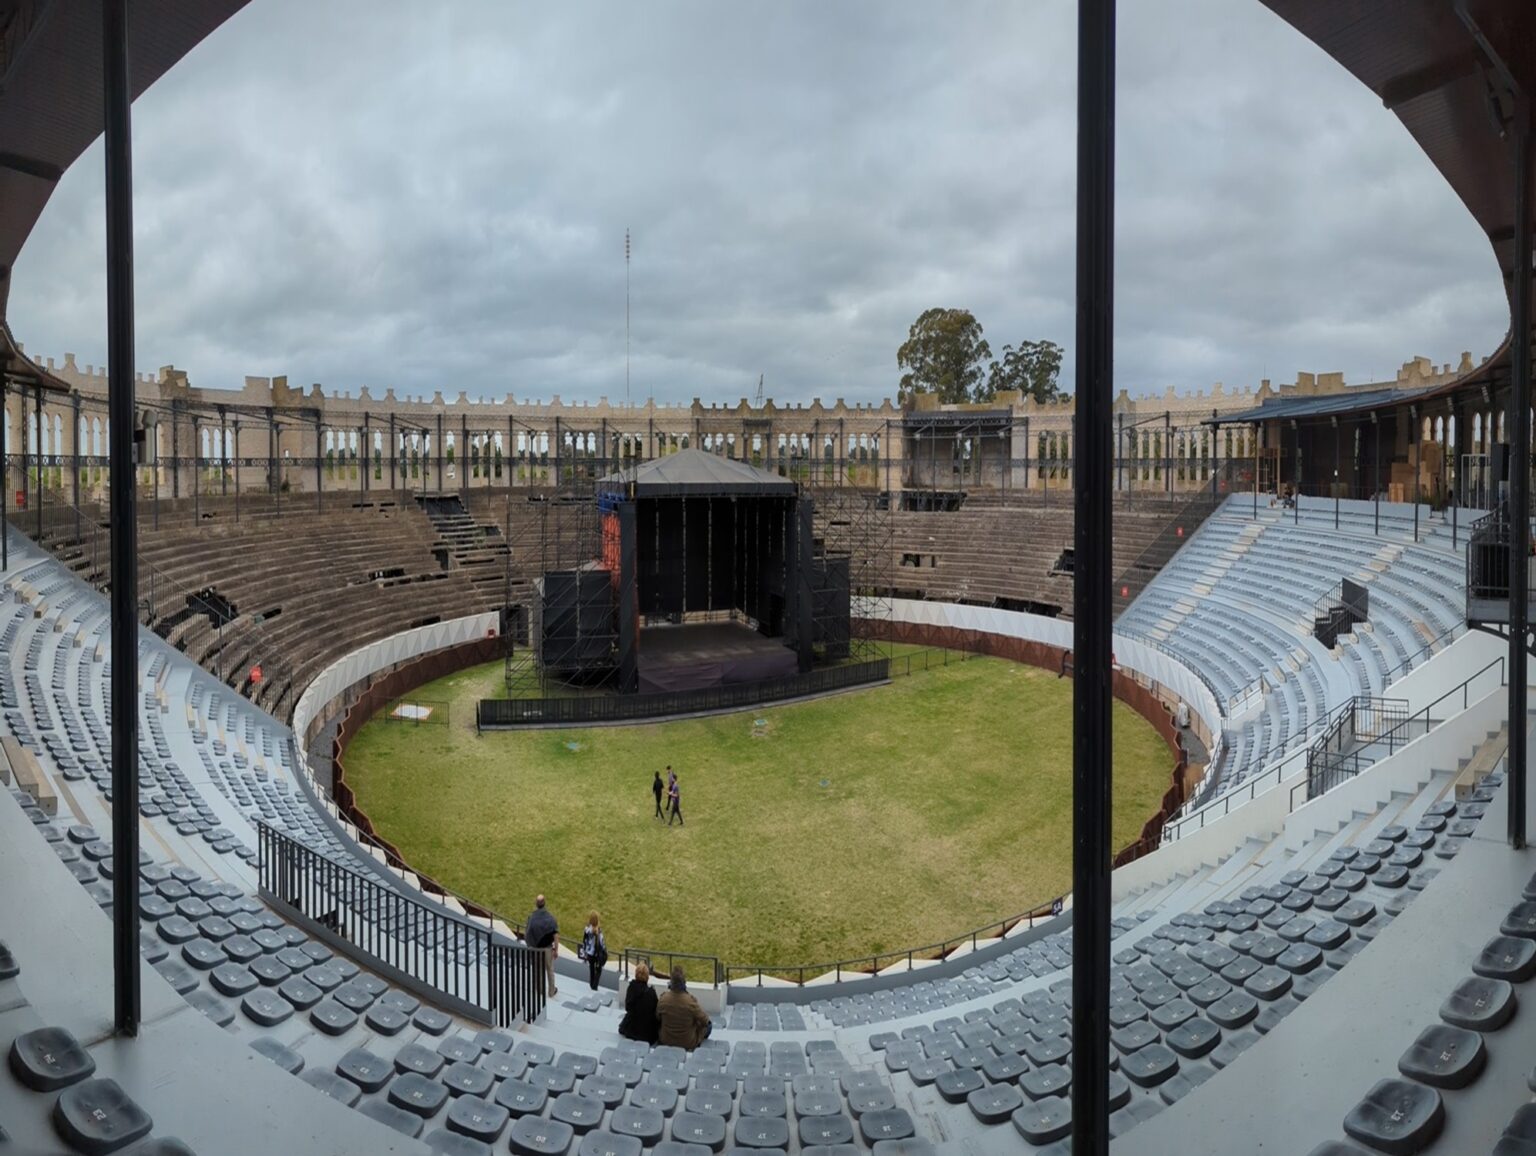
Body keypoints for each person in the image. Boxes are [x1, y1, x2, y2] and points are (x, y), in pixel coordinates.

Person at [656, 966, 712, 1050]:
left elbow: (657, 1017)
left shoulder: (663, 999)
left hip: (666, 1040)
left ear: (671, 983)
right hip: (687, 1043)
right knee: (709, 1025)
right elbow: (705, 1021)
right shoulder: (690, 1001)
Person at [525, 894, 558, 998]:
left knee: (538, 970)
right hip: (547, 949)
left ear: (536, 904)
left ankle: (540, 992)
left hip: (536, 950)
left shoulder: (531, 918)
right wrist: (556, 949)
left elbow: (527, 934)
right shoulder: (551, 918)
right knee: (550, 970)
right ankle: (551, 992)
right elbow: (556, 935)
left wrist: (530, 946)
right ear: (544, 903)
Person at [619, 962, 660, 1045]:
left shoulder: (631, 988)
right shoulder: (651, 992)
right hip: (648, 1035)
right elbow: (656, 1011)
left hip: (632, 1031)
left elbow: (628, 1007)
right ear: (647, 976)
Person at [578, 911, 607, 992]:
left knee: (591, 969)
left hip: (589, 954)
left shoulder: (587, 929)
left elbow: (584, 941)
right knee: (599, 969)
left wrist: (585, 952)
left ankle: (592, 985)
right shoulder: (599, 931)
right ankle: (594, 986)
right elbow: (602, 943)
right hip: (597, 954)